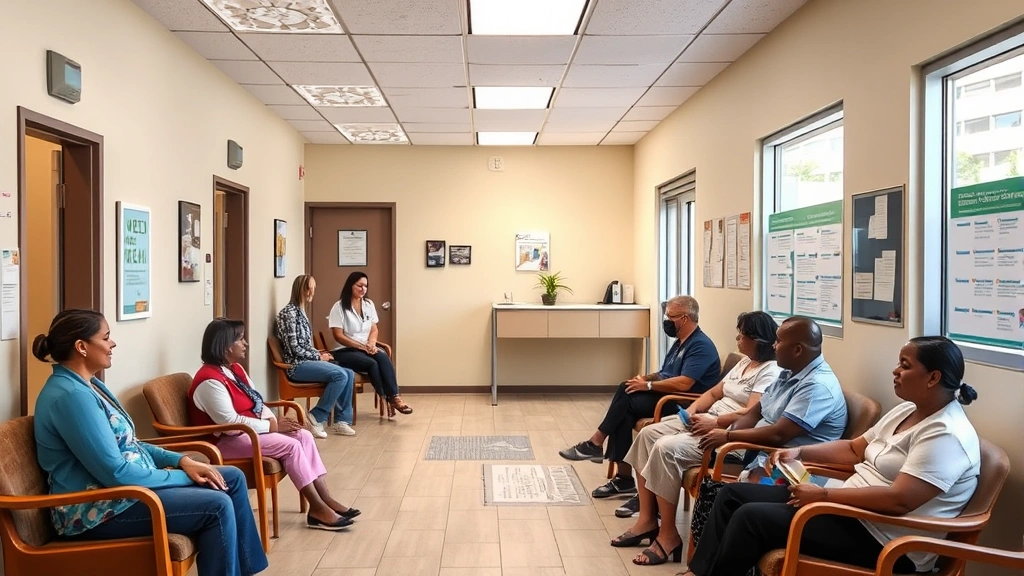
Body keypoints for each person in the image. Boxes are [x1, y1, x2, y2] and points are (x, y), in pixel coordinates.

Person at [682, 336, 980, 576]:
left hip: (884, 539)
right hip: (847, 510)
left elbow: (899, 500)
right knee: (731, 495)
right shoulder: (907, 410)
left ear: (933, 377)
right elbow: (853, 449)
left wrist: (824, 495)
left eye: (905, 365)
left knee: (751, 519)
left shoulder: (947, 434)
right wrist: (797, 450)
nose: (896, 371)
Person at [32, 309, 268, 576]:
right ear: (81, 347)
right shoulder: (70, 397)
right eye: (106, 337)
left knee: (232, 478)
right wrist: (184, 476)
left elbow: (130, 443)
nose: (113, 343)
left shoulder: (89, 385)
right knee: (216, 506)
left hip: (126, 495)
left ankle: (247, 571)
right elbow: (116, 474)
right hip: (95, 511)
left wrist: (182, 460)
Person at [609, 312, 783, 564]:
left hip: (726, 435)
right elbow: (713, 393)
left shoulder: (770, 371)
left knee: (664, 447)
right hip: (707, 419)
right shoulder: (745, 362)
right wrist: (690, 413)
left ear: (758, 340)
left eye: (742, 335)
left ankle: (668, 535)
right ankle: (647, 520)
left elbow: (751, 412)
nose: (737, 339)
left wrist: (714, 422)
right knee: (647, 434)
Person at [191, 318, 359, 531]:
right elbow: (230, 424)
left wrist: (272, 419)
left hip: (247, 434)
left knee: (304, 436)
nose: (246, 344)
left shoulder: (234, 370)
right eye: (240, 340)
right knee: (290, 445)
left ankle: (326, 499)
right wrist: (272, 427)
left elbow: (257, 401)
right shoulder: (209, 381)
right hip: (222, 442)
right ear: (225, 347)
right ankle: (317, 508)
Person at [559, 295, 721, 499]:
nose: (666, 321)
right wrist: (644, 379)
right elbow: (665, 372)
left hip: (682, 403)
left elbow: (684, 383)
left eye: (671, 316)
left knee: (625, 401)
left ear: (685, 318)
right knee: (625, 398)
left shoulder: (700, 345)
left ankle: (600, 449)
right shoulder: (681, 342)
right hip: (669, 396)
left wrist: (649, 385)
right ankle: (619, 475)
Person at [276, 274, 357, 436]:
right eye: (309, 288)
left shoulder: (301, 311)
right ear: (301, 289)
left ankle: (341, 421)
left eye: (313, 288)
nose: (312, 291)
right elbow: (294, 348)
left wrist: (319, 354)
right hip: (297, 366)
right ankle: (316, 416)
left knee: (349, 373)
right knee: (340, 375)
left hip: (307, 361)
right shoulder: (289, 313)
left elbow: (305, 345)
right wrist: (318, 356)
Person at [328, 271, 412, 416]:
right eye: (359, 285)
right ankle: (386, 397)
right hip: (344, 350)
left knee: (382, 355)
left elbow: (374, 329)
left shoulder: (368, 304)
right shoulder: (339, 307)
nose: (363, 289)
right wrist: (360, 346)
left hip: (366, 347)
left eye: (365, 286)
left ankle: (395, 397)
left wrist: (372, 344)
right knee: (372, 364)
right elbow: (338, 335)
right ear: (350, 286)